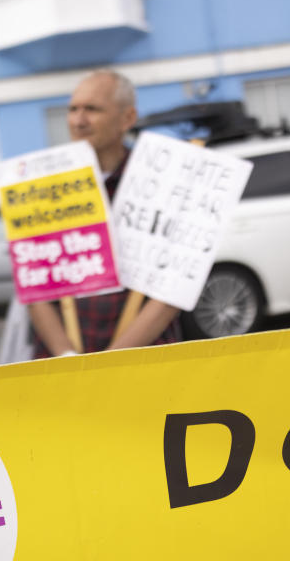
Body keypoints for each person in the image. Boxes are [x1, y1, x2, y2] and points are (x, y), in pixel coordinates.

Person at [28, 70, 182, 357]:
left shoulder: (162, 183)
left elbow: (172, 288)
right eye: (73, 109)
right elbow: (35, 286)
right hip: (64, 368)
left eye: (92, 109)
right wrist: (66, 356)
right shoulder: (46, 187)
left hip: (143, 361)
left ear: (127, 118)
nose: (78, 120)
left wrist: (111, 362)